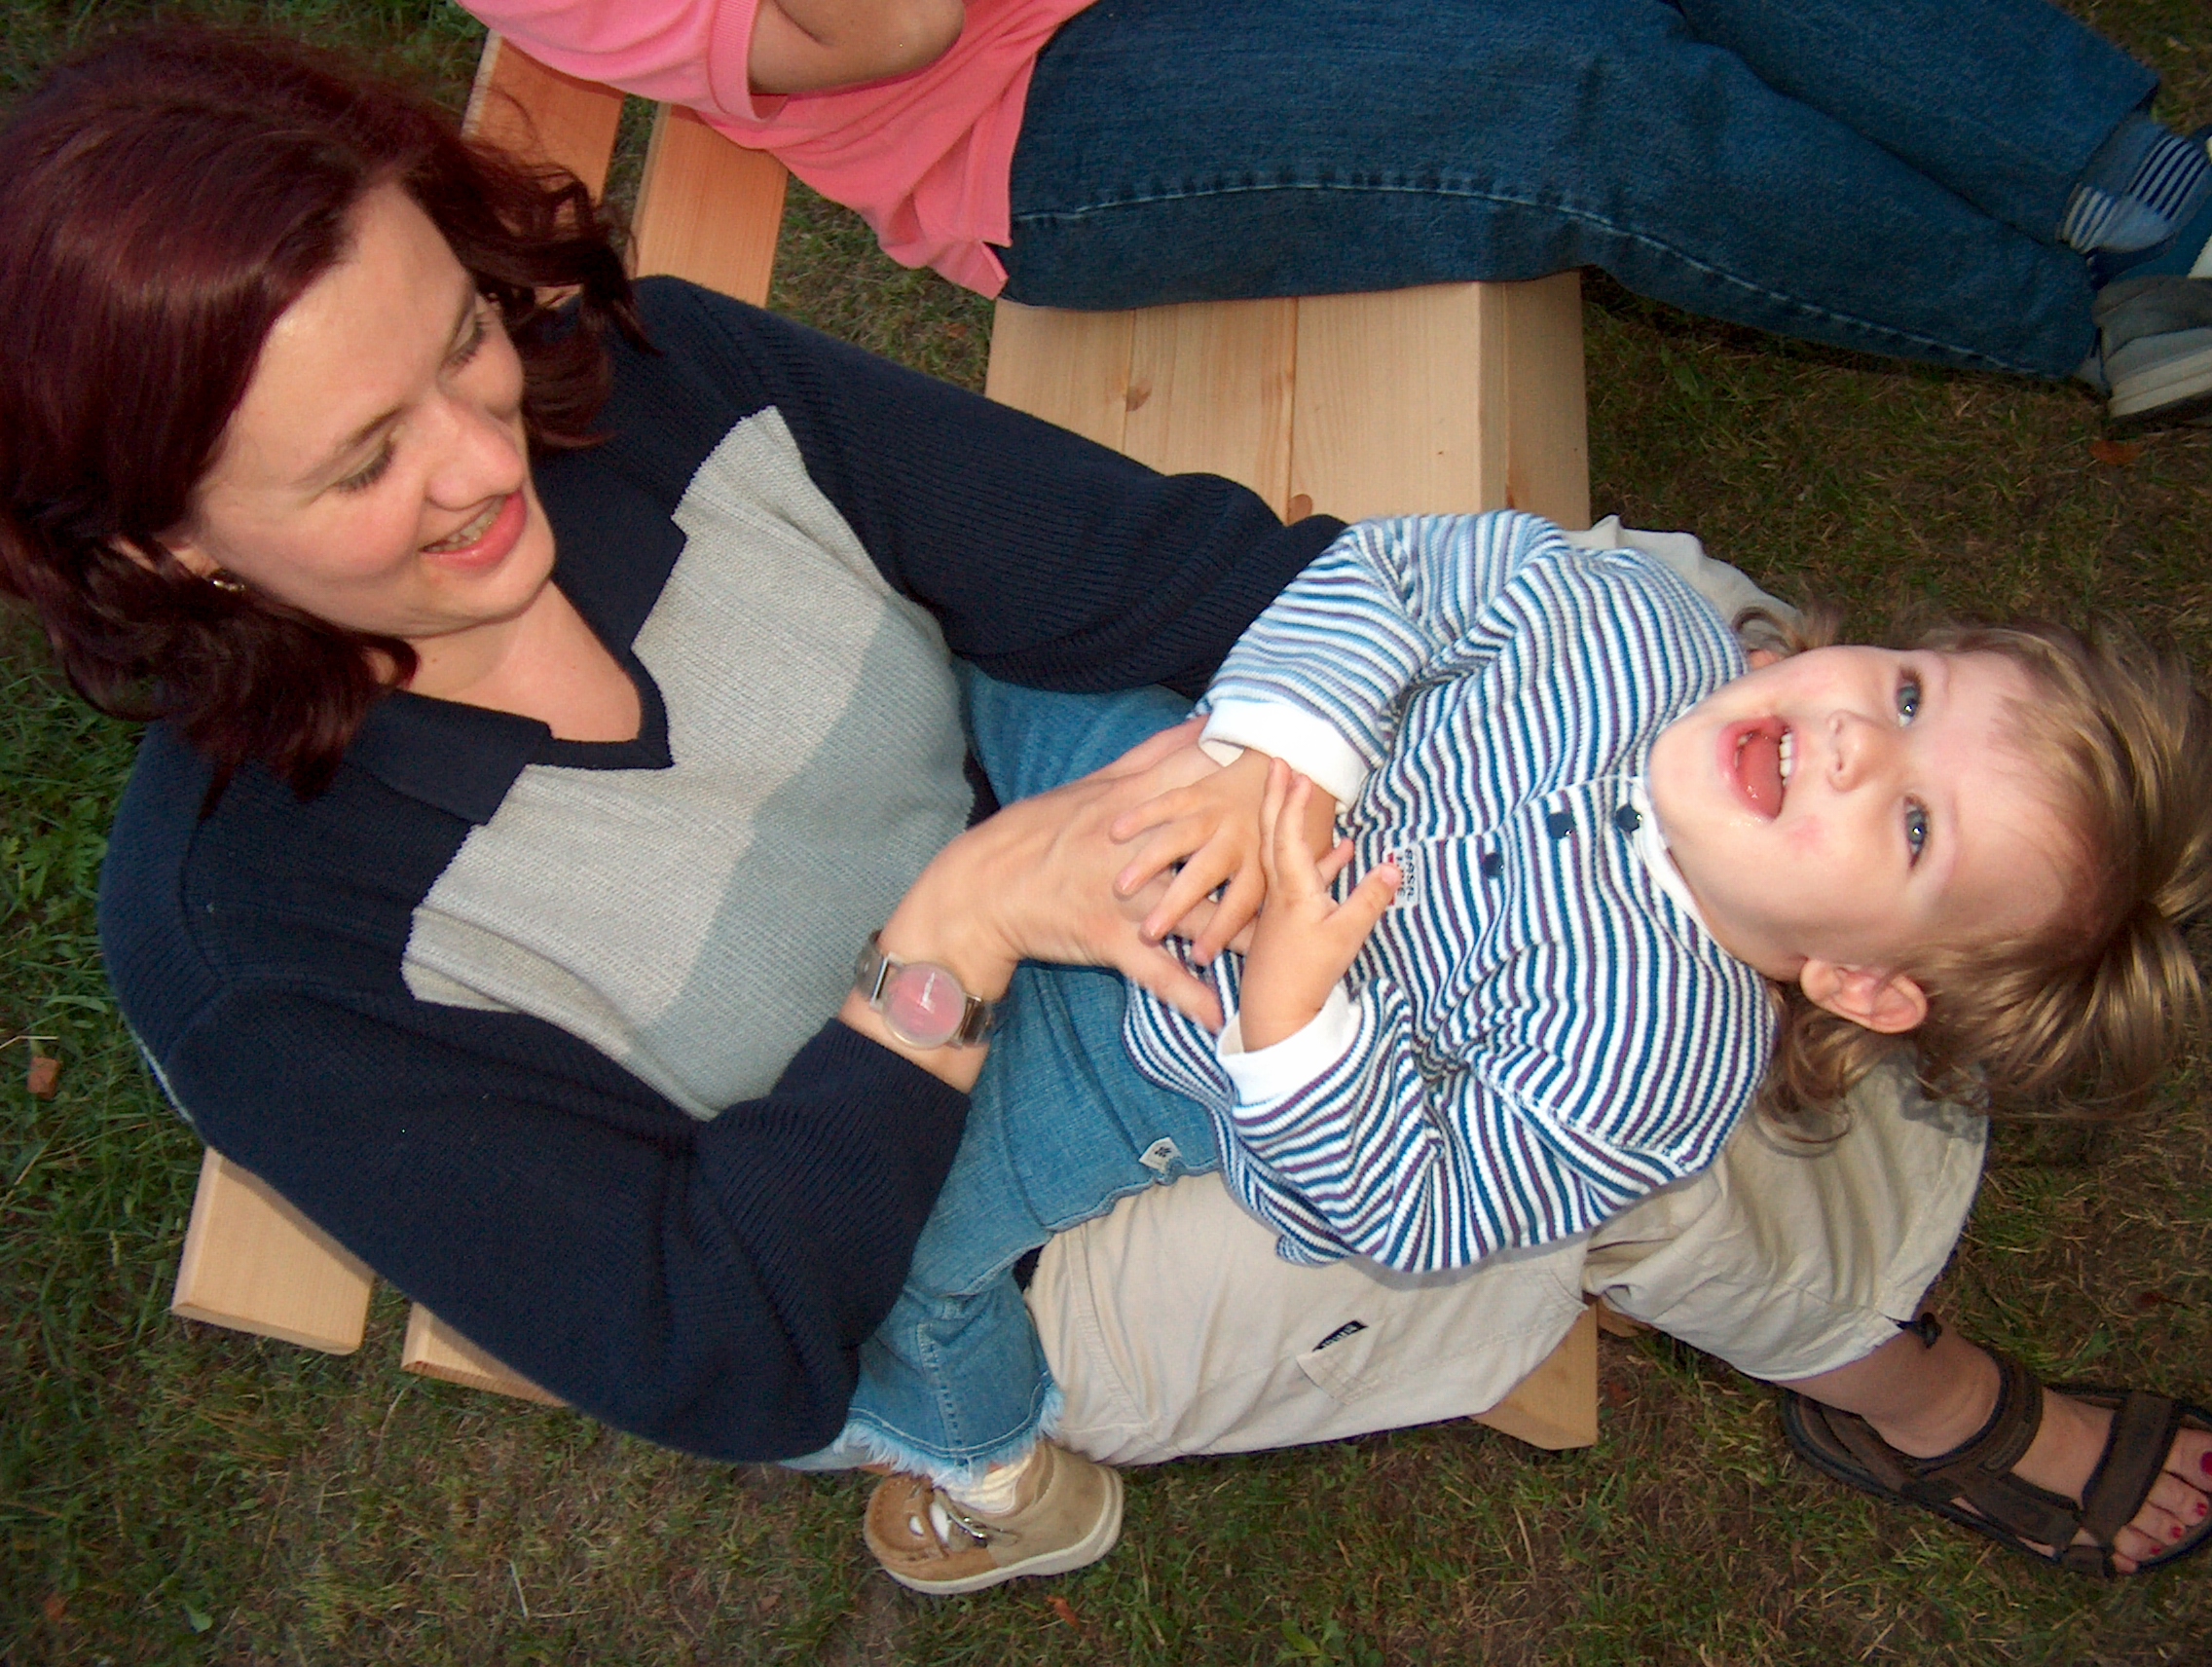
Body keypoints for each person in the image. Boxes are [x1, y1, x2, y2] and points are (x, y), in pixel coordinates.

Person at [0, 21, 2203, 1609]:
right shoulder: (260, 950)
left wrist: (1379, 732)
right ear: (170, 545)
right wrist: (953, 944)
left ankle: (1893, 988)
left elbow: (1159, 573)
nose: (491, 459)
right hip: (901, 1209)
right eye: (363, 463)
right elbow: (721, 1346)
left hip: (1085, 828)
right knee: (1594, 1145)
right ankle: (1883, 1353)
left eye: (459, 343)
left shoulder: (628, 383)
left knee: (1667, 659)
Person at [837, 513, 2212, 1590]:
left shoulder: (1658, 1071)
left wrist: (1297, 1019)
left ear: (1860, 980)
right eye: (1911, 698)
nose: (1856, 741)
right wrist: (1273, 747)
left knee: (888, 1252)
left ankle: (993, 1465)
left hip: (1143, 1051)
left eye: (1915, 828)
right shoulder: (1634, 621)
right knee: (920, 655)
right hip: (1165, 782)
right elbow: (1395, 578)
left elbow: (1411, 1207)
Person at [462, 0, 2212, 425]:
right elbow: (887, 30)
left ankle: (2134, 198)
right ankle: (2092, 313)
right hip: (1034, 125)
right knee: (1569, 93)